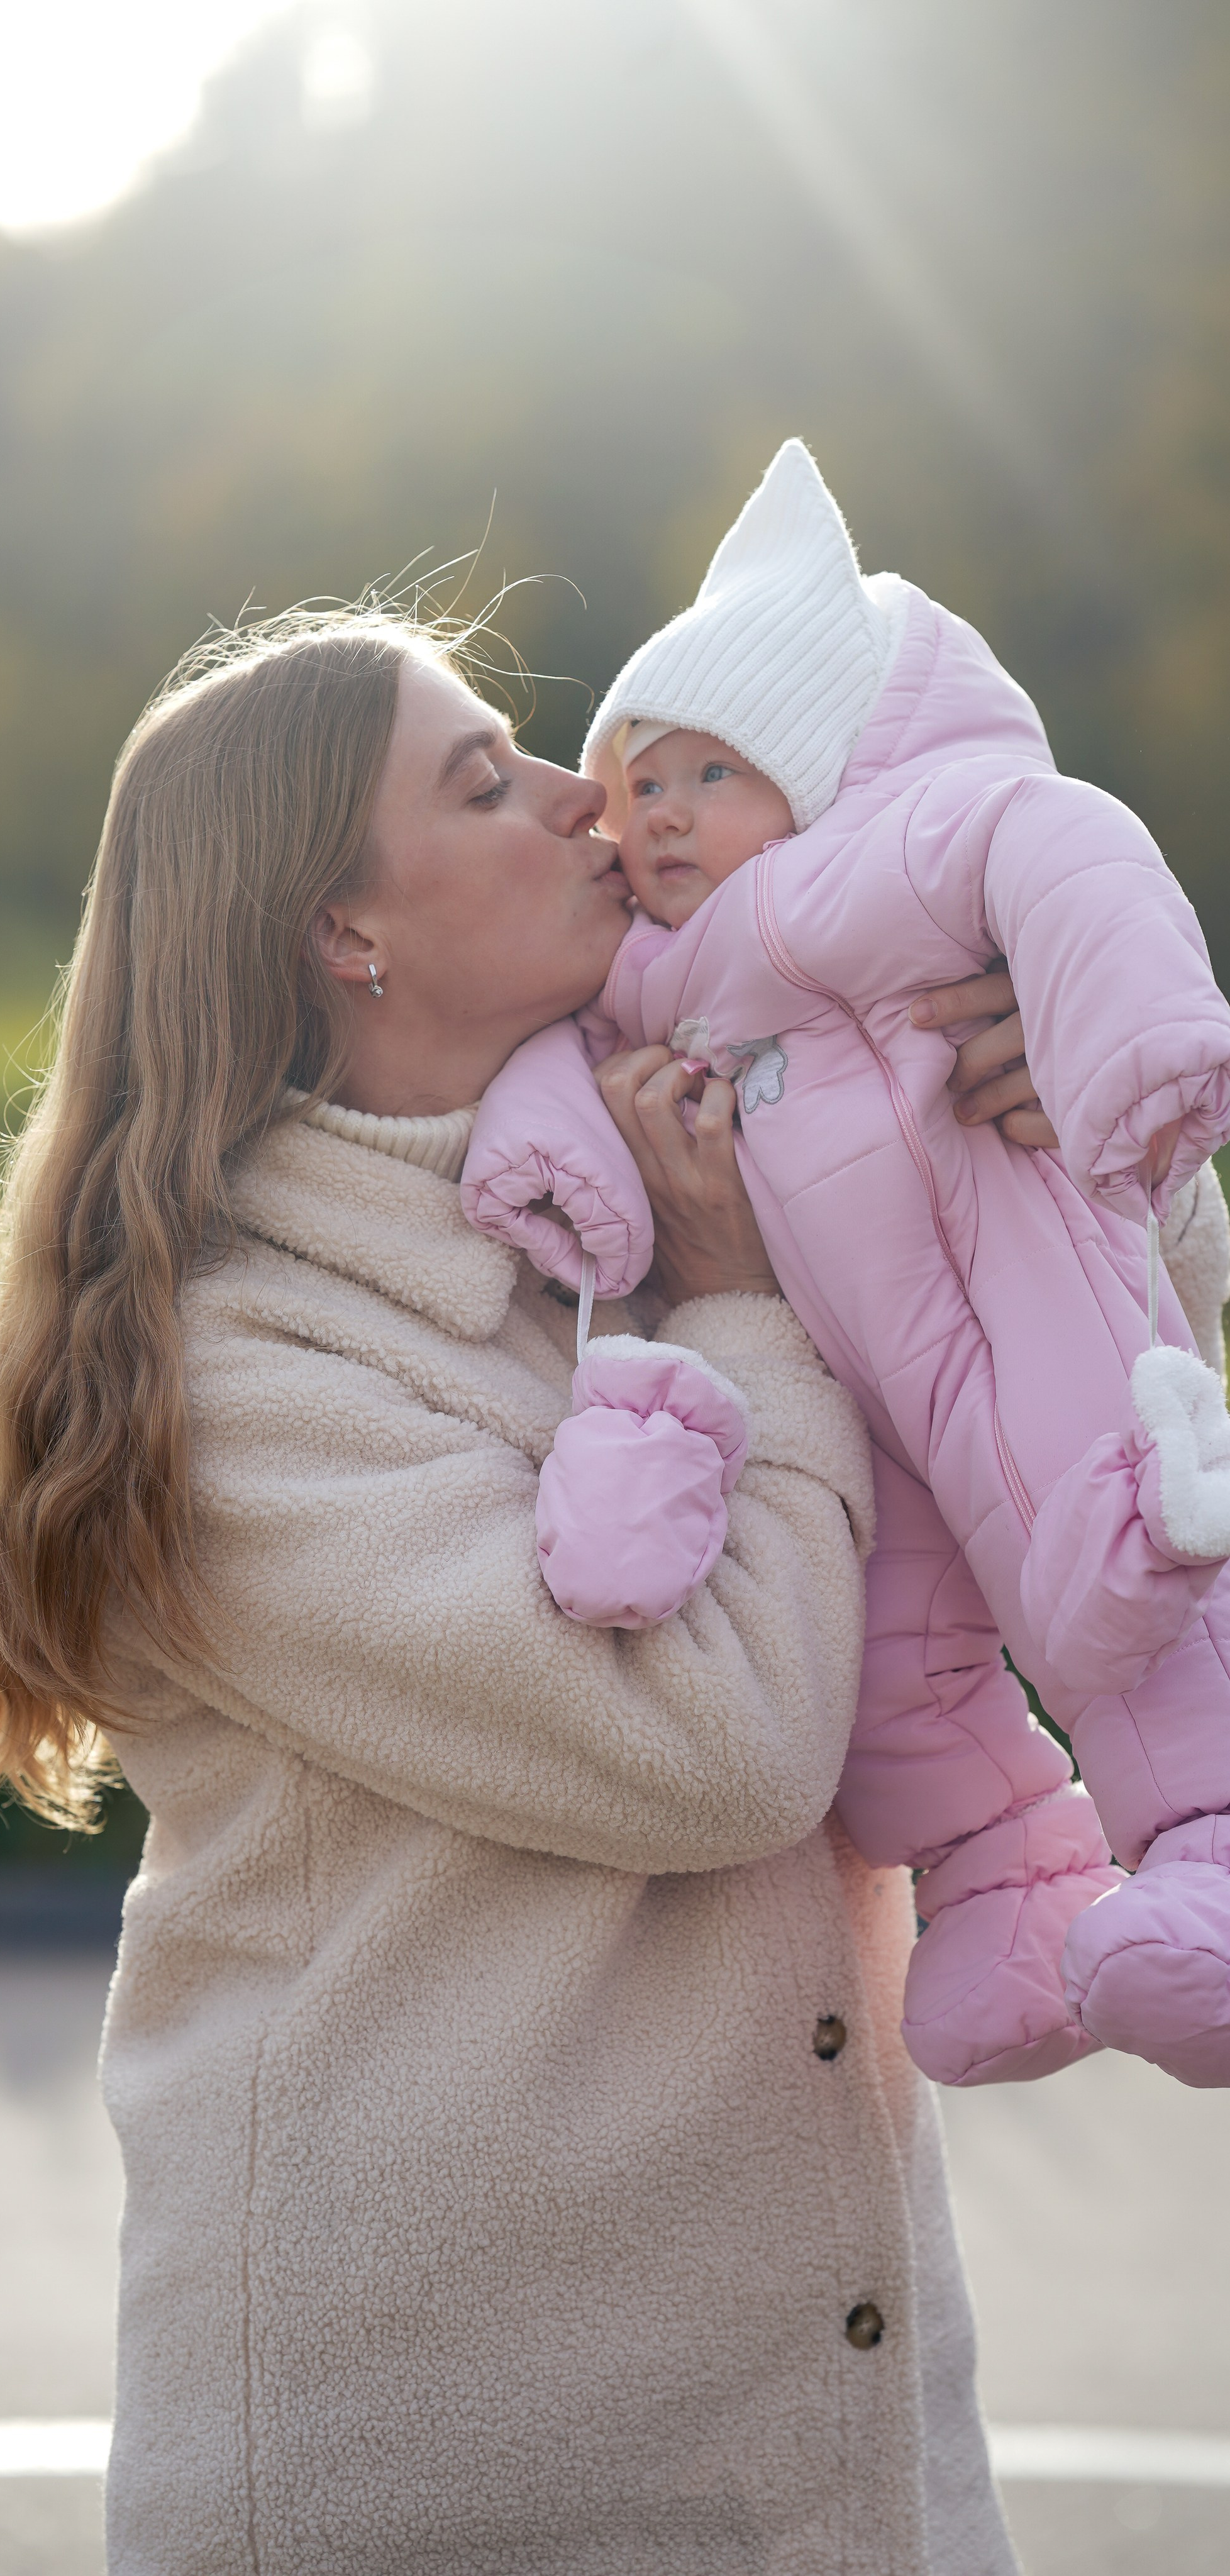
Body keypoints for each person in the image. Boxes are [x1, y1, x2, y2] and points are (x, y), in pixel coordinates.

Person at [0, 608, 1043, 2573]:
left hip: (835, 2462)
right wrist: (742, 1307)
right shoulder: (232, 1391)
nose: (581, 793)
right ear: (341, 930)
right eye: (480, 781)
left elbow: (1080, 1427)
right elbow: (721, 1754)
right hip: (460, 2482)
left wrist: (1058, 1127)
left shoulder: (632, 1187)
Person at [460, 439, 1230, 2091]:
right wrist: (550, 1172)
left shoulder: (886, 860)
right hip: (851, 1393)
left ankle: (1214, 1853)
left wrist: (1131, 1048)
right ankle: (1007, 1887)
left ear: (811, 769)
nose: (661, 812)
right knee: (891, 1677)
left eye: (707, 771)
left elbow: (1065, 845)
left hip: (1006, 1299)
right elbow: (558, 1074)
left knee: (1113, 1565)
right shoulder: (640, 977)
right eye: (637, 784)